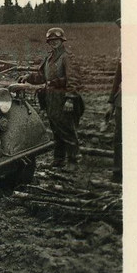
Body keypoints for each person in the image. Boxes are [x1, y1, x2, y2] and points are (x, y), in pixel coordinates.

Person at [20, 27, 82, 168]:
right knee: (56, 129)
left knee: (67, 129)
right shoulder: (49, 58)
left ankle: (73, 161)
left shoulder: (67, 57)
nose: (54, 42)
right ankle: (59, 159)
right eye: (51, 40)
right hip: (50, 98)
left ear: (62, 40)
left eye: (56, 40)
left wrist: (70, 99)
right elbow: (42, 76)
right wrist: (28, 77)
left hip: (62, 97)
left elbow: (73, 79)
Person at [104, 18, 122, 183]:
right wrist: (111, 102)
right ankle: (118, 173)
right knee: (119, 137)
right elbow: (118, 76)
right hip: (121, 100)